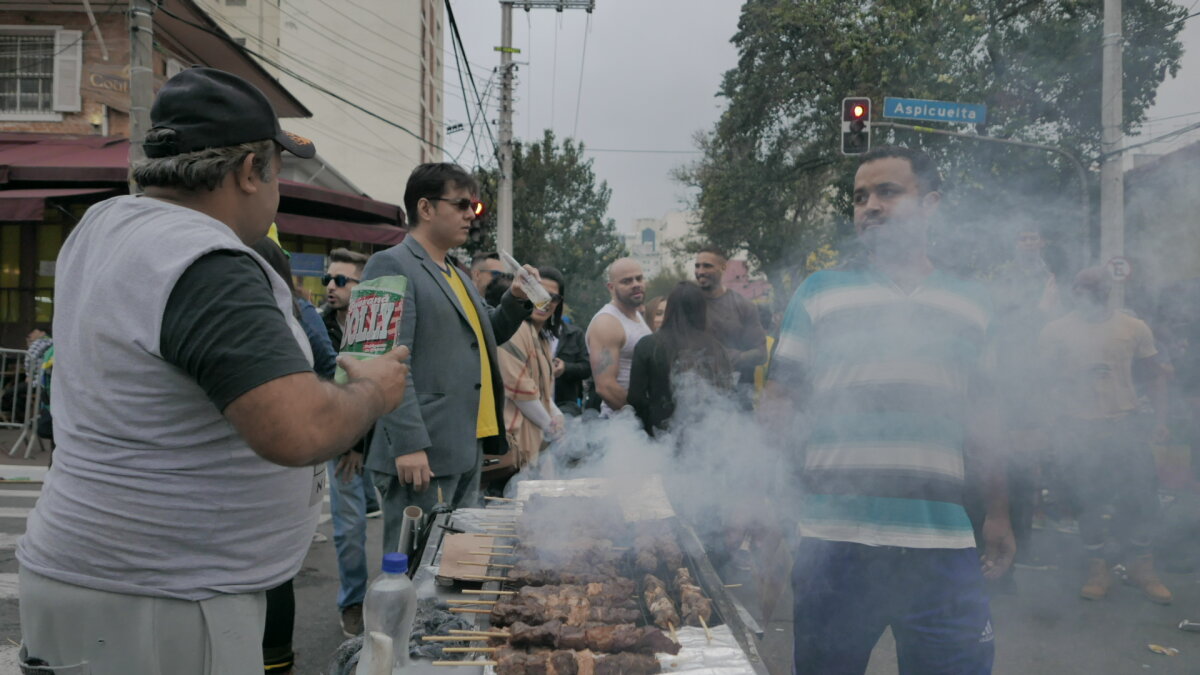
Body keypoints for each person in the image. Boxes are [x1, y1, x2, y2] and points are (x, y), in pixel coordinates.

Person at [16, 67, 409, 675]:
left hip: (103, 576)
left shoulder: (103, 224)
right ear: (250, 171)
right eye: (277, 172)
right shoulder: (205, 261)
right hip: (165, 600)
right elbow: (294, 429)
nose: (279, 190)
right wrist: (372, 391)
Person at [764, 146, 1013, 675]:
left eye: (887, 192)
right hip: (834, 543)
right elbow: (781, 401)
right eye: (859, 197)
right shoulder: (819, 292)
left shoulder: (973, 303)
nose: (869, 205)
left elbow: (985, 418)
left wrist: (998, 511)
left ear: (931, 204)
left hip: (941, 544)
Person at [362, 163, 538, 554]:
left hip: (463, 446)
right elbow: (383, 362)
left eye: (473, 208)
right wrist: (408, 443)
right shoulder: (390, 264)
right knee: (409, 569)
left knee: (450, 569)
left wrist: (517, 299)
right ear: (425, 208)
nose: (469, 216)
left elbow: (484, 336)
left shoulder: (454, 272)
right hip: (420, 452)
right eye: (461, 205)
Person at [1039, 267, 1172, 604]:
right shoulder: (1056, 331)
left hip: (1123, 424)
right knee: (1088, 501)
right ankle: (1098, 569)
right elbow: (1039, 381)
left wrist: (1161, 418)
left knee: (1142, 498)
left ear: (1109, 293)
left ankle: (1143, 567)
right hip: (1078, 428)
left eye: (1097, 290)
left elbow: (1154, 376)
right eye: (1084, 289)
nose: (1091, 296)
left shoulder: (1132, 328)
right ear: (1074, 292)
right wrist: (1074, 382)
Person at [250, 237, 335, 675]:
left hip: (281, 471)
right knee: (273, 573)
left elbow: (329, 365)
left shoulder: (295, 317)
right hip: (279, 475)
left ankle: (275, 662)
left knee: (273, 573)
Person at [320, 247, 381, 637]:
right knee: (350, 531)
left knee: (401, 525)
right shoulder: (318, 328)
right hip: (341, 445)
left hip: (380, 441)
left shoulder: (378, 329)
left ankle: (398, 599)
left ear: (362, 287)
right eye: (328, 278)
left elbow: (382, 387)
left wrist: (364, 444)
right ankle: (353, 603)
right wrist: (349, 445)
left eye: (341, 280)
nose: (331, 286)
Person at [488, 267, 568, 488]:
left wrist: (555, 414)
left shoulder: (540, 336)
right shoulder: (517, 328)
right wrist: (551, 426)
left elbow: (540, 391)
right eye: (539, 291)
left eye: (554, 297)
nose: (546, 300)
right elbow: (519, 387)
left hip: (530, 448)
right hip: (512, 448)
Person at [628, 282, 732, 435]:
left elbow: (635, 397)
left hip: (660, 438)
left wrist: (652, 425)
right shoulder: (715, 348)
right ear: (702, 310)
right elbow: (726, 394)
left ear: (670, 308)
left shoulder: (647, 345)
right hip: (706, 437)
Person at [694, 246, 767, 390]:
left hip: (737, 397)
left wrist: (723, 357)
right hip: (695, 393)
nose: (700, 271)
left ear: (723, 267)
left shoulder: (743, 306)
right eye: (697, 266)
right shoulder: (688, 304)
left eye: (707, 266)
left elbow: (761, 353)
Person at [586, 258, 651, 416]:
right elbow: (605, 387)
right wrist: (642, 417)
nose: (636, 284)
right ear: (611, 287)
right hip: (621, 424)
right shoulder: (607, 323)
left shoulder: (636, 315)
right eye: (627, 281)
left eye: (639, 278)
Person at [553, 314, 591, 417]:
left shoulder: (575, 334)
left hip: (566, 406)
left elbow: (587, 368)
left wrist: (565, 368)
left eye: (554, 299)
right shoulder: (528, 332)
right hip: (533, 403)